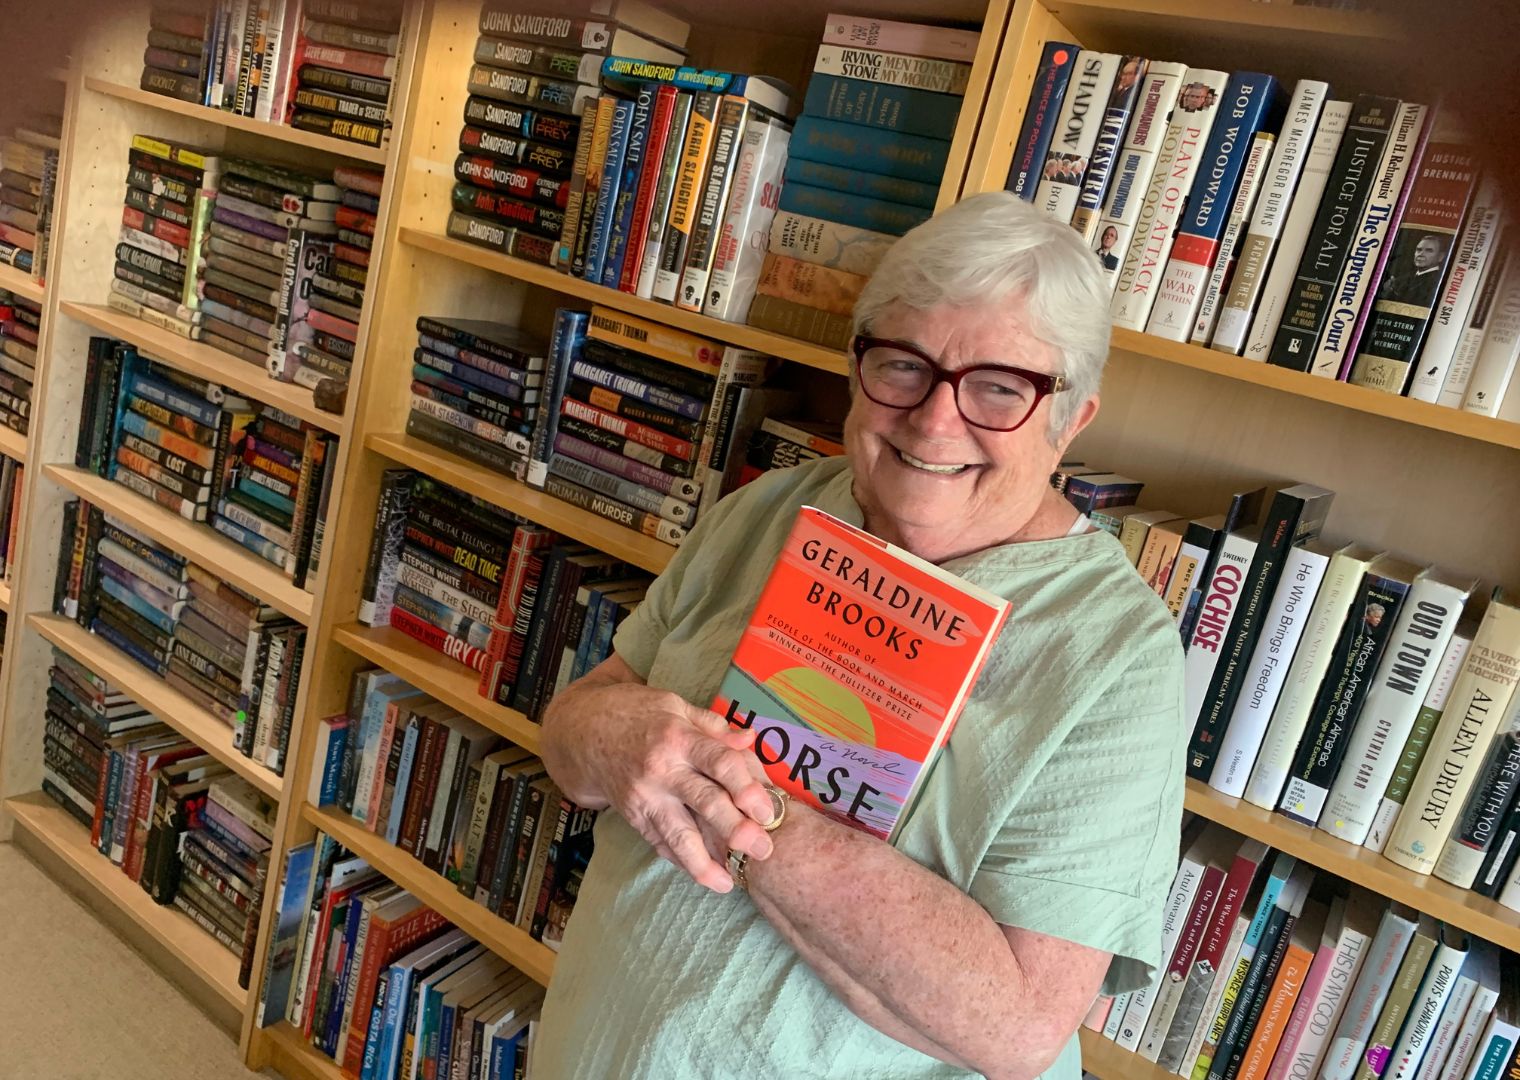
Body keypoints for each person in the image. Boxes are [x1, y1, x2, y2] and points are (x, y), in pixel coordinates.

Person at [532, 192, 1188, 1079]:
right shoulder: (772, 503)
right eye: (904, 365)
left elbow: (1020, 1028)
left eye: (1000, 387)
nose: (934, 420)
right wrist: (619, 736)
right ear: (857, 367)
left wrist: (739, 805)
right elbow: (574, 738)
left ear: (1070, 418)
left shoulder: (1117, 657)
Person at [1378, 234, 1449, 308]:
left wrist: (1390, 292)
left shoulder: (1439, 282)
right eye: (1419, 250)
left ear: (1440, 257)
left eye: (1429, 251)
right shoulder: (1401, 279)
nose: (1421, 254)